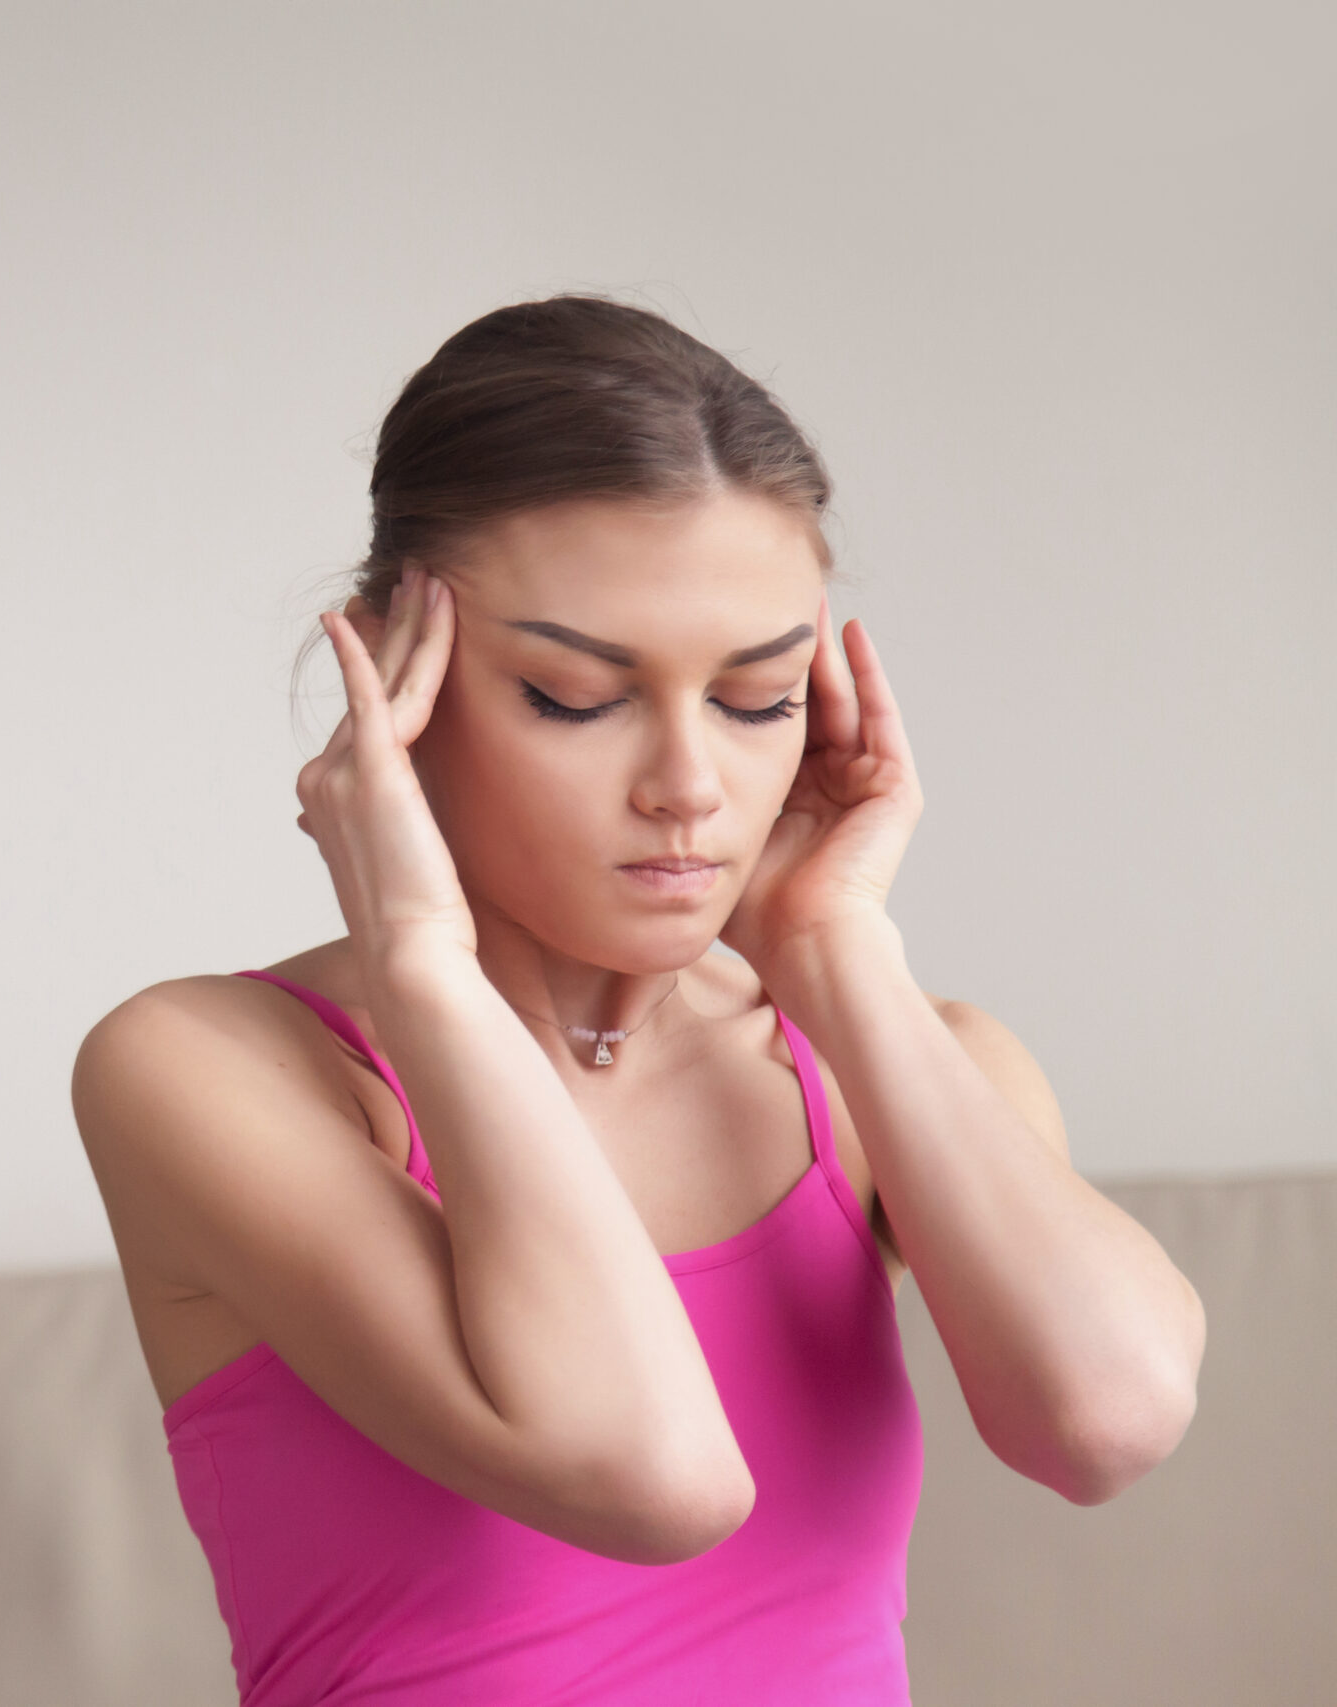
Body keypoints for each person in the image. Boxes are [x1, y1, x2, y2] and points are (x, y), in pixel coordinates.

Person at [71, 297, 1205, 1705]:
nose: (689, 784)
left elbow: (1107, 1421)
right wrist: (423, 960)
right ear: (385, 676)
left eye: (756, 698)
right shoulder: (208, 1067)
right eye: (572, 695)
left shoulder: (894, 1064)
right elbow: (649, 1474)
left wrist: (838, 949)